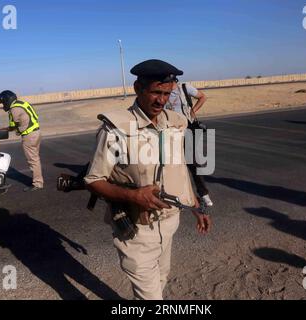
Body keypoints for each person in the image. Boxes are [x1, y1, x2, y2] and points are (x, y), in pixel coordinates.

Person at [84, 59, 211, 300]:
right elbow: (93, 179)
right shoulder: (116, 129)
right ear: (137, 88)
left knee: (161, 280)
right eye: (155, 92)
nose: (161, 100)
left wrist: (196, 205)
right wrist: (133, 195)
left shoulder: (174, 123)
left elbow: (179, 170)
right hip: (137, 232)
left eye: (166, 93)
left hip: (170, 224)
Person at [165, 80, 213, 207]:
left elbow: (203, 97)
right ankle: (177, 194)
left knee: (193, 162)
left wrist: (193, 112)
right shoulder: (163, 92)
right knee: (173, 165)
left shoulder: (185, 88)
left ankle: (203, 194)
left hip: (187, 129)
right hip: (170, 132)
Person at [0, 90, 43, 192]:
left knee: (33, 160)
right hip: (37, 132)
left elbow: (13, 126)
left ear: (8, 100)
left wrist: (1, 129)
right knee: (35, 158)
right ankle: (38, 181)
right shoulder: (23, 103)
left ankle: (38, 183)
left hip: (29, 136)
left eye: (4, 102)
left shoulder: (14, 109)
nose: (4, 105)